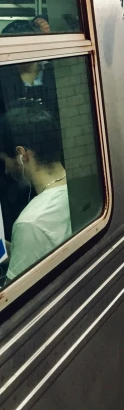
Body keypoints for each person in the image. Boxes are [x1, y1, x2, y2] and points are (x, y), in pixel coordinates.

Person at [0, 19, 59, 237]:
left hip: (52, 164)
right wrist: (4, 158)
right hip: (14, 170)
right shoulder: (3, 78)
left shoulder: (56, 75)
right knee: (21, 224)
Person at [0, 102, 71, 283]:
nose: (6, 171)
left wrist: (23, 235)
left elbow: (14, 298)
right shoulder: (80, 186)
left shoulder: (30, 223)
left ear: (23, 154)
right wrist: (16, 247)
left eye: (4, 161)